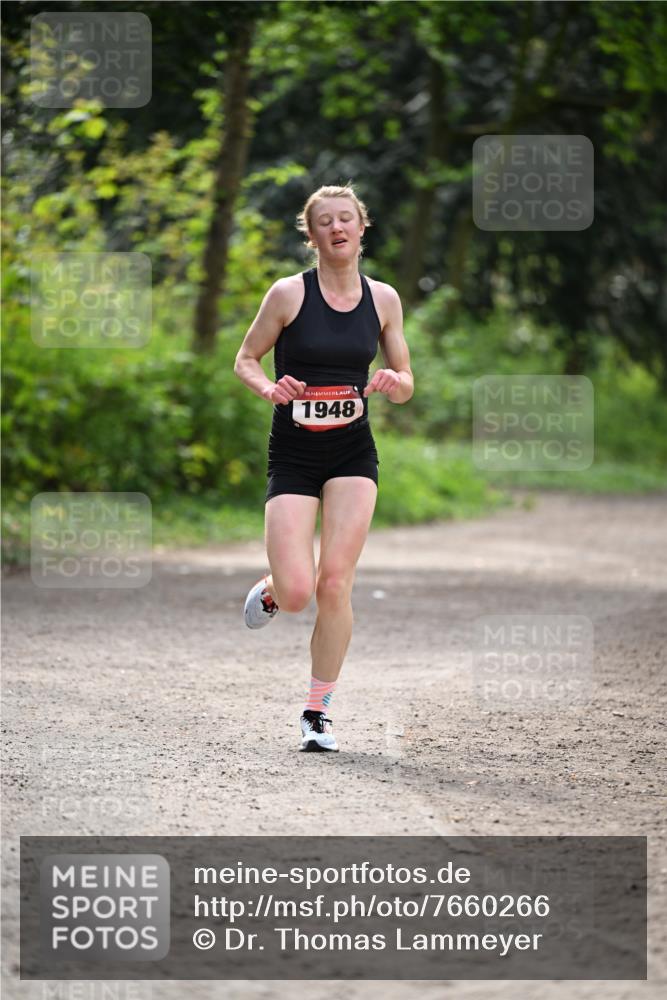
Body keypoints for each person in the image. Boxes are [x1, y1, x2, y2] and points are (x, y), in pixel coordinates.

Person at [233, 184, 413, 752]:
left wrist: (394, 381)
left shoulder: (383, 299)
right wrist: (269, 388)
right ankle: (272, 590)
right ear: (310, 235)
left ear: (362, 227)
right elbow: (245, 359)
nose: (337, 228)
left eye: (346, 218)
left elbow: (406, 380)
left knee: (335, 582)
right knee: (297, 592)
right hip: (293, 453)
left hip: (353, 453)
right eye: (325, 221)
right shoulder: (288, 294)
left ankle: (317, 712)